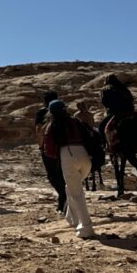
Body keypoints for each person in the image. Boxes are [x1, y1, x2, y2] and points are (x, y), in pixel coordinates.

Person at [43, 100, 96, 239]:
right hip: (84, 156)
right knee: (71, 188)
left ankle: (86, 227)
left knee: (77, 193)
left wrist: (56, 155)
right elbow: (90, 134)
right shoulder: (76, 121)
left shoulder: (51, 126)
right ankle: (71, 218)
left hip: (67, 155)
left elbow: (48, 150)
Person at [35, 91, 66, 213]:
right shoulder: (63, 111)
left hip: (48, 147)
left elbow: (38, 130)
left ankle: (62, 196)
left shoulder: (41, 113)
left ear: (44, 101)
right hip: (66, 146)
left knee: (52, 175)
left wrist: (41, 146)